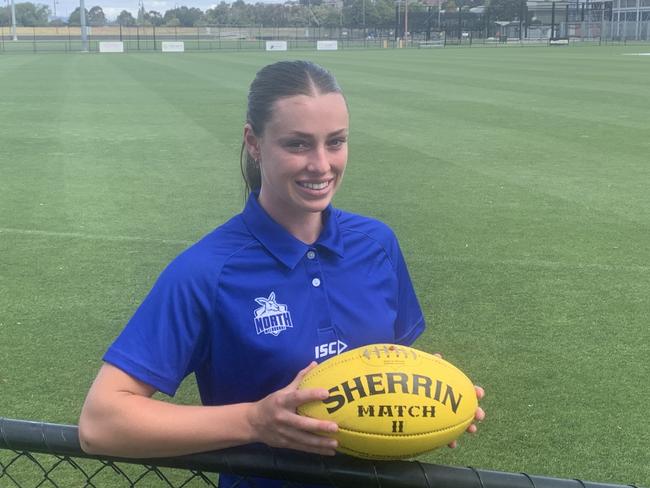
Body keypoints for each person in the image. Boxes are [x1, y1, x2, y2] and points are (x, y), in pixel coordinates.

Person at [78, 60, 485, 488]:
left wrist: (427, 401)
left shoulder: (377, 244)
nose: (322, 164)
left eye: (337, 142)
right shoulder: (207, 272)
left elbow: (382, 374)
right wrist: (255, 421)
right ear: (254, 143)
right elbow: (101, 422)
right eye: (298, 144)